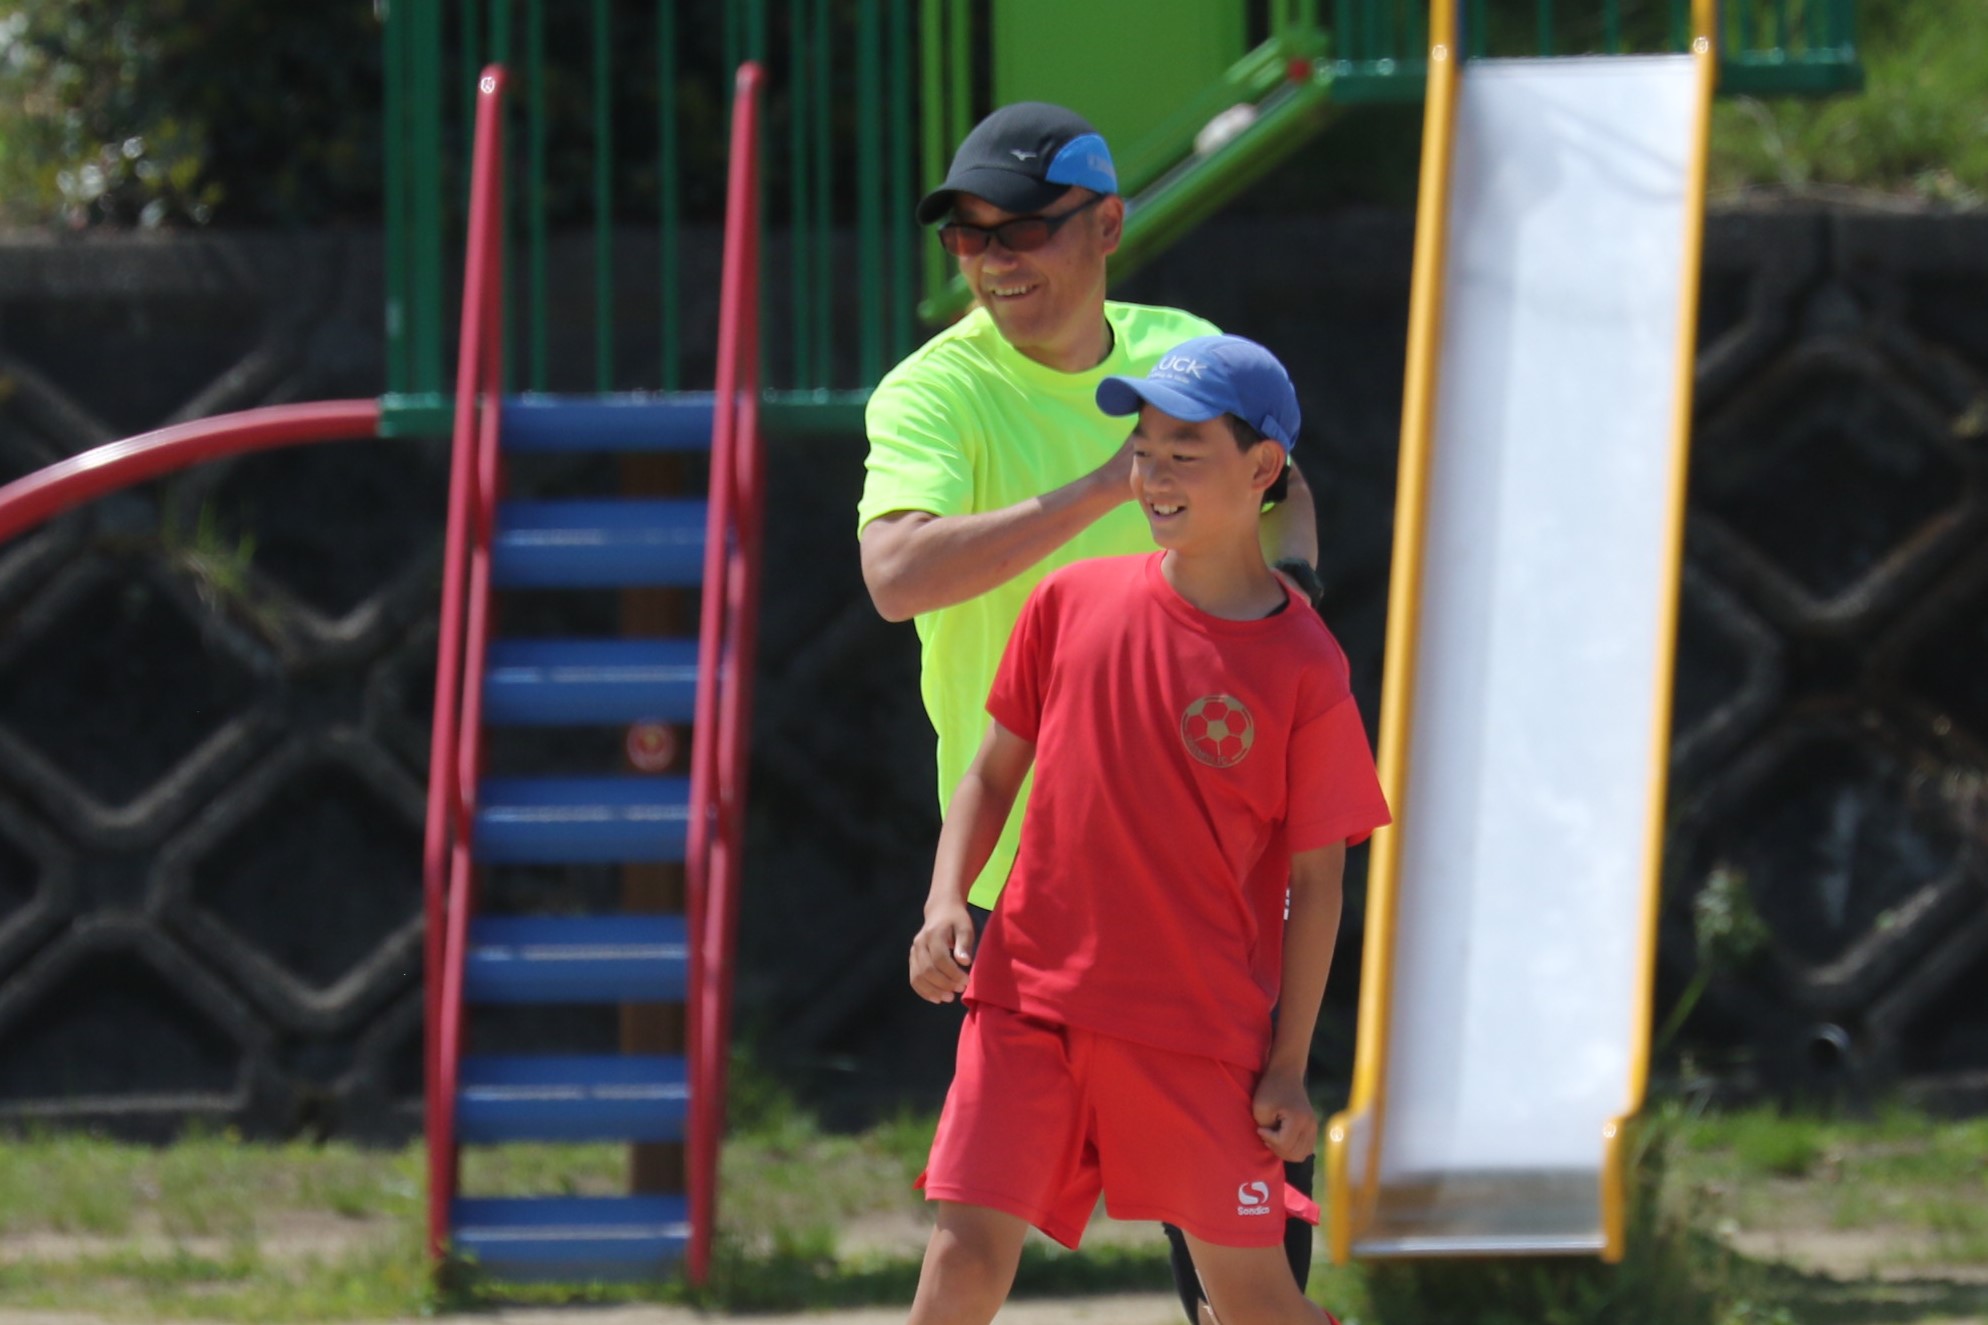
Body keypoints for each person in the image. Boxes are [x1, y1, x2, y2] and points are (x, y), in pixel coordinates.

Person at [859, 102, 1324, 1319]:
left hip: (1207, 881)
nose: (994, 258)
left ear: (1107, 224)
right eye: (967, 237)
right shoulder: (935, 391)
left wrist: (1290, 613)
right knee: (970, 1234)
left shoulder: (1187, 351)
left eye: (1022, 228)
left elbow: (1283, 488)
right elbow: (895, 576)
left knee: (1239, 1267)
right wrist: (1103, 484)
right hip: (1032, 893)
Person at [902, 335, 1389, 1325]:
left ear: (1263, 468)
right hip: (1025, 995)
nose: (1153, 475)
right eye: (1143, 448)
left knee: (1249, 1301)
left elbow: (1318, 884)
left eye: (1184, 452)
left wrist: (1288, 1062)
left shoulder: (1304, 664)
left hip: (1193, 1025)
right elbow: (991, 772)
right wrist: (945, 898)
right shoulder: (1068, 600)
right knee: (960, 1260)